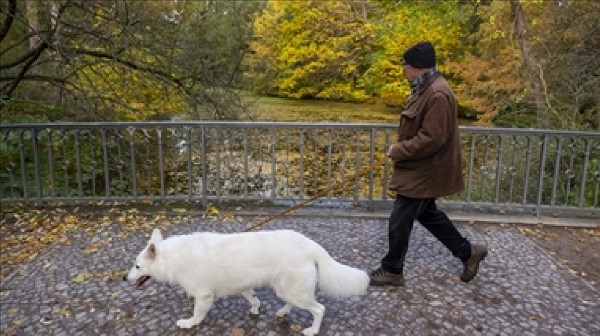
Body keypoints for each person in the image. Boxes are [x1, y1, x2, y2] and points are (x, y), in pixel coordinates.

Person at [369, 41, 487, 286]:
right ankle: (468, 252)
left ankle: (392, 269)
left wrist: (398, 150)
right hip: (423, 168)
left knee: (400, 218)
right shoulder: (427, 88)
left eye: (405, 65)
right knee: (429, 215)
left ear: (416, 67)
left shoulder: (437, 94)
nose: (403, 70)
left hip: (427, 170)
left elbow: (431, 139)